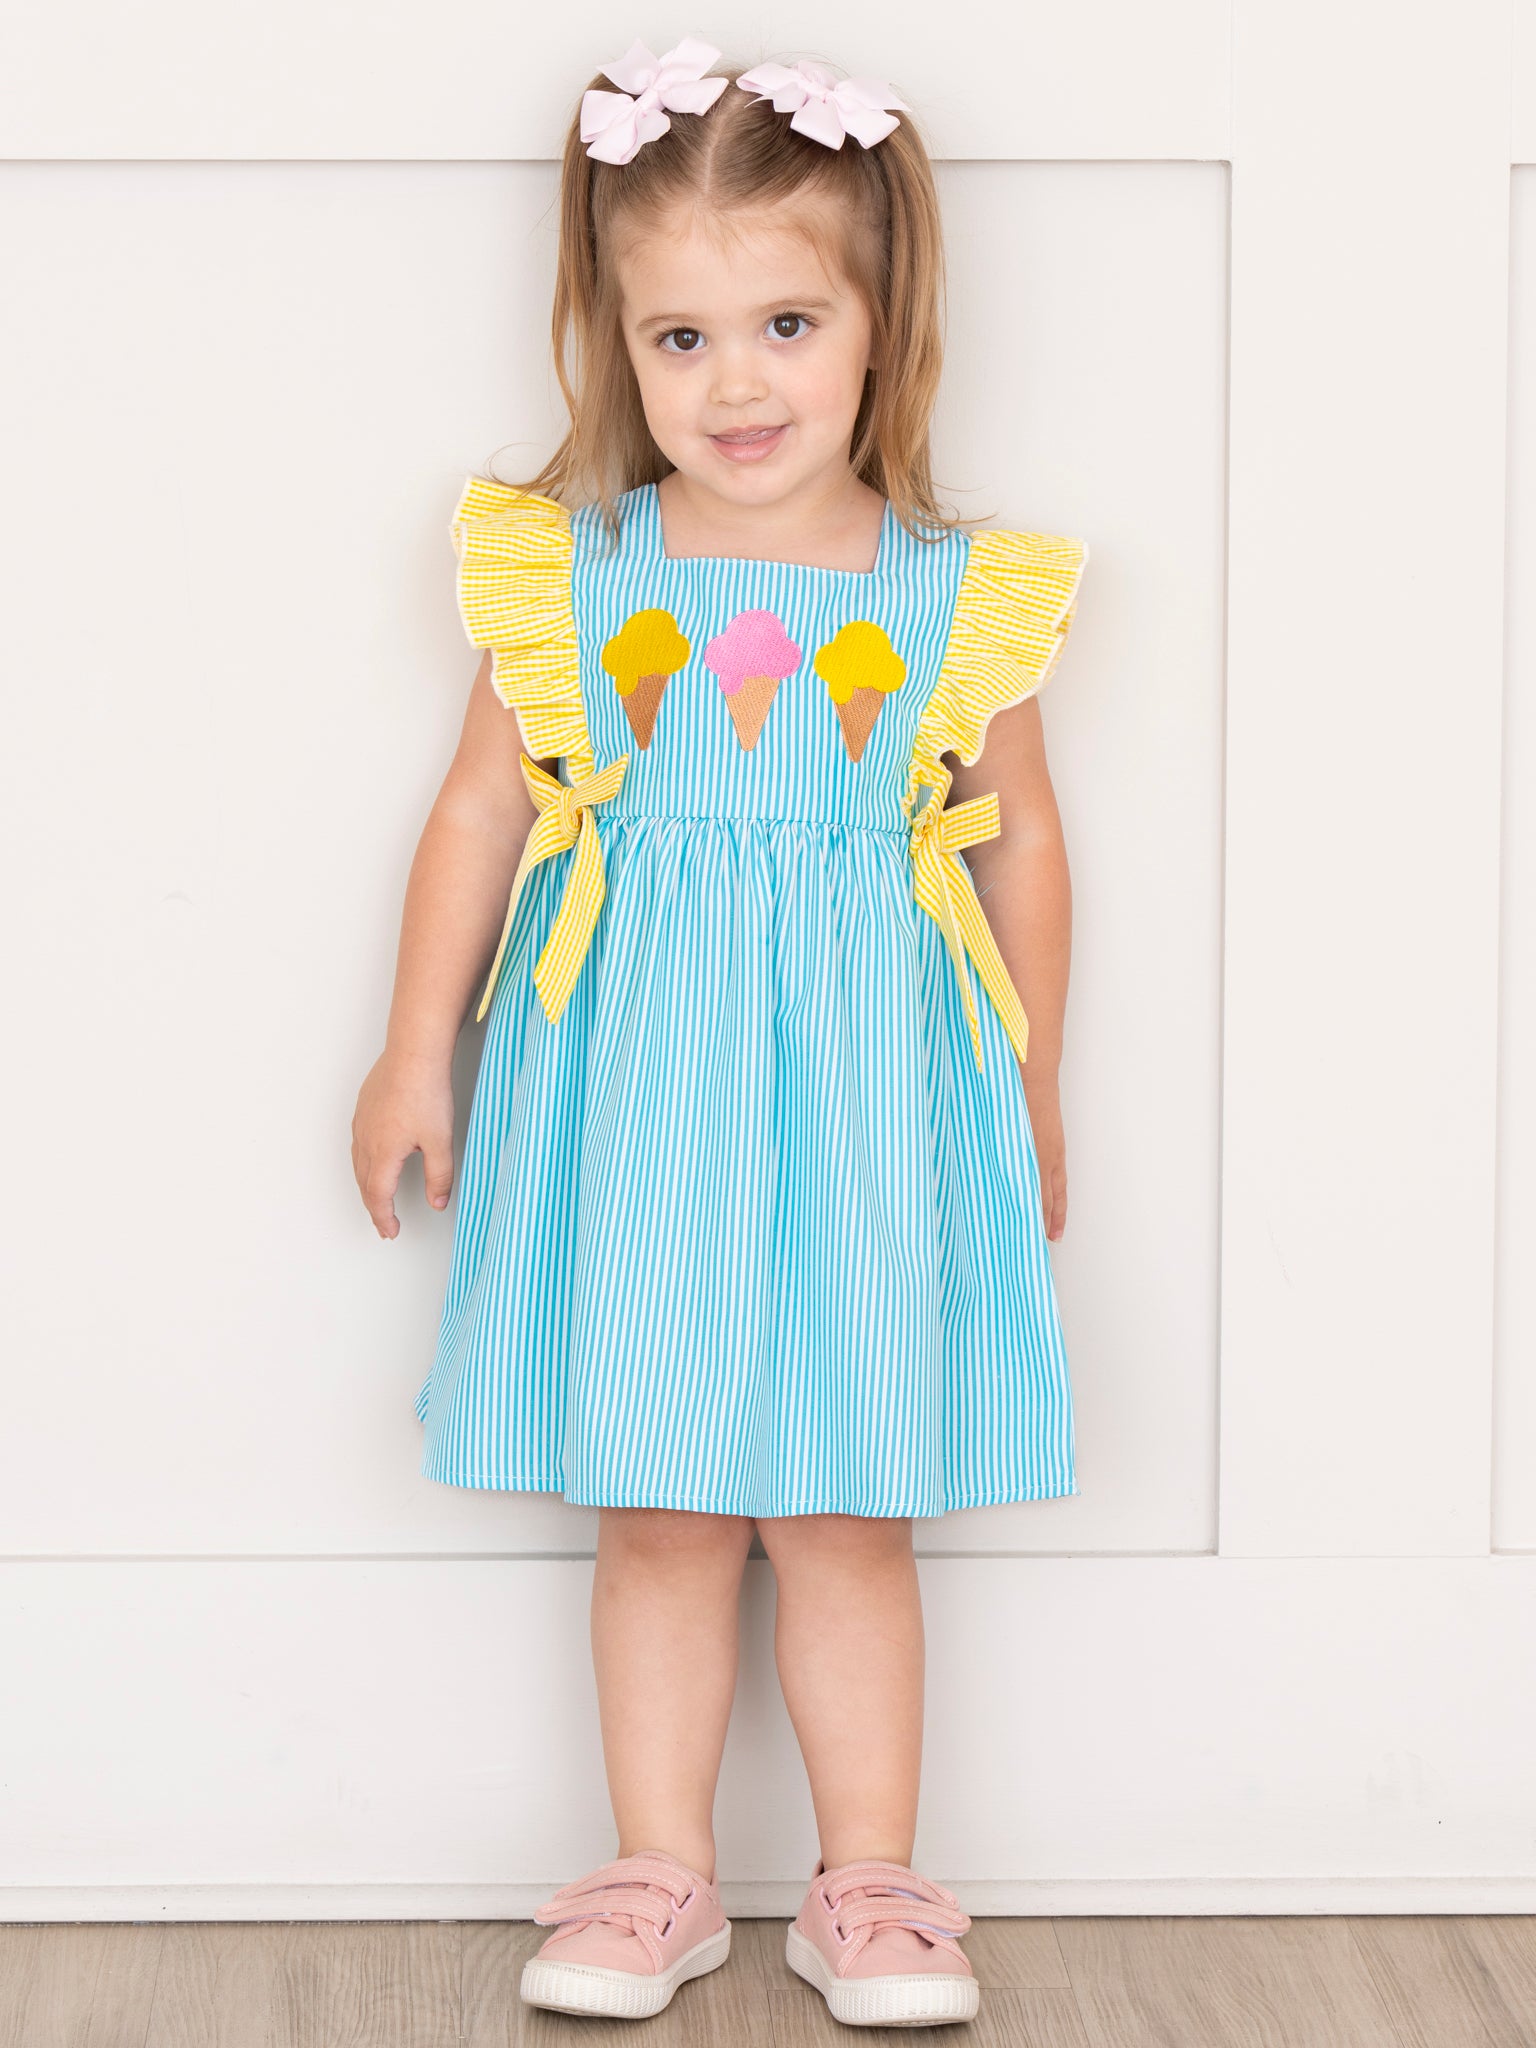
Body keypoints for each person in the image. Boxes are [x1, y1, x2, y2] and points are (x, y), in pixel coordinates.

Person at [351, 34, 1089, 2032]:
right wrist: (415, 1047)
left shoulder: (954, 599)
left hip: (871, 1093)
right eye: (679, 336)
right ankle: (657, 1870)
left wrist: (1030, 1085)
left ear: (881, 324)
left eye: (785, 324)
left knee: (849, 1501)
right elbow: (481, 810)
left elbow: (1021, 851)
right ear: (615, 336)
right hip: (641, 1087)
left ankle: (874, 1882)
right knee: (665, 1497)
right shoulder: (576, 579)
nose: (734, 383)